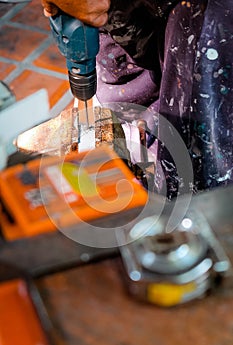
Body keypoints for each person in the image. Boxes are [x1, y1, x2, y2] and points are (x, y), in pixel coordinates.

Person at [42, 0, 233, 198]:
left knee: (198, 154)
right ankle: (138, 140)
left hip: (203, 21)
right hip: (125, 21)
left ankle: (192, 198)